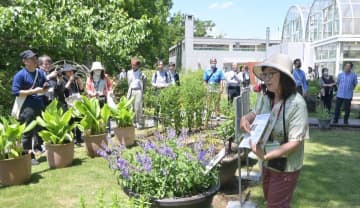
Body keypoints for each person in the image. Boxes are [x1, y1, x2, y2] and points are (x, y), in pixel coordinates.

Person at [240, 54, 309, 208]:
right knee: (274, 202)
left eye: (271, 74)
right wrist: (245, 118)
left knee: (275, 204)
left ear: (284, 76)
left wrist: (266, 155)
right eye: (265, 74)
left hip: (286, 166)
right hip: (266, 163)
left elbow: (295, 142)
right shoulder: (266, 98)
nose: (267, 78)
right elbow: (255, 113)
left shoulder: (297, 104)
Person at [11, 50, 49, 165]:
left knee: (42, 130)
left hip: (40, 105)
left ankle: (44, 150)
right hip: (26, 109)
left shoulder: (40, 73)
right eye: (31, 59)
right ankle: (28, 156)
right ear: (24, 61)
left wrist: (46, 86)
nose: (34, 60)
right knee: (27, 133)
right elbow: (15, 92)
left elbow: (45, 84)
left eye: (35, 58)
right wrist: (33, 91)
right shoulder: (20, 75)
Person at [62, 63, 84, 144]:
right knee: (70, 121)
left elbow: (81, 90)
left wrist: (80, 82)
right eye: (69, 71)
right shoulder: (63, 79)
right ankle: (71, 138)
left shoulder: (75, 79)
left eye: (72, 71)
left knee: (79, 120)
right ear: (65, 72)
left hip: (77, 101)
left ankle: (78, 138)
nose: (71, 73)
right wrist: (70, 80)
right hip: (68, 102)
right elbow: (64, 91)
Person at [127, 57, 146, 129]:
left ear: (138, 65)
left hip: (138, 90)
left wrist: (142, 90)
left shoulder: (141, 73)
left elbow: (145, 83)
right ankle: (133, 121)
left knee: (138, 107)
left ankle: (139, 122)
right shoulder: (129, 72)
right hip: (131, 90)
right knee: (131, 107)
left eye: (135, 65)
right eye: (133, 65)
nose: (134, 66)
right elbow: (128, 83)